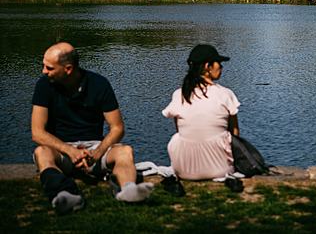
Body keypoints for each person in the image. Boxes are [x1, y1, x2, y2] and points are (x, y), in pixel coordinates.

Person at [31, 42, 154, 214]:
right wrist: (70, 151)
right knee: (42, 153)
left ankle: (127, 190)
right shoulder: (44, 86)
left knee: (125, 151)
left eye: (49, 68)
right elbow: (37, 133)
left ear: (68, 69)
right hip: (62, 151)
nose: (44, 71)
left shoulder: (99, 84)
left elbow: (118, 128)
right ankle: (63, 194)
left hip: (95, 150)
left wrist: (97, 154)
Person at [162, 45, 240, 180]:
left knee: (177, 138)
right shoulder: (225, 94)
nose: (221, 67)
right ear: (208, 66)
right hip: (220, 169)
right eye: (219, 63)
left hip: (184, 170)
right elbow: (235, 133)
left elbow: (180, 131)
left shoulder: (180, 94)